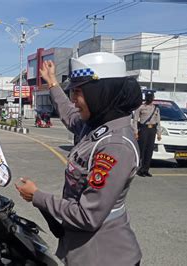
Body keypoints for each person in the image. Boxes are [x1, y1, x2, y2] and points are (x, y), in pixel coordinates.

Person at [16, 52, 143, 266]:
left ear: (101, 93)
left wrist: (37, 197)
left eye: (78, 92)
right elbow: (69, 114)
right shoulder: (97, 125)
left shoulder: (115, 145)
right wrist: (53, 84)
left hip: (104, 257)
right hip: (84, 252)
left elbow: (87, 216)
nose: (74, 100)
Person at [133, 90, 161, 177]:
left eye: (151, 97)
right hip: (144, 129)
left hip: (152, 130)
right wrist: (136, 132)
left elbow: (158, 121)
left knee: (149, 150)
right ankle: (140, 169)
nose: (150, 99)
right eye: (148, 97)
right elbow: (135, 120)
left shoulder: (156, 108)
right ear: (146, 98)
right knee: (143, 149)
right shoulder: (140, 107)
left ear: (153, 98)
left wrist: (159, 133)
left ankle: (146, 169)